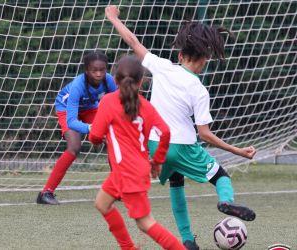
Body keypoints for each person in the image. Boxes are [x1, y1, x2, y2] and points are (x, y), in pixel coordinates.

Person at [105, 5, 256, 250]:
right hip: (184, 145)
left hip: (156, 145)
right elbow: (204, 134)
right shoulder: (199, 90)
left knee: (176, 184)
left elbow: (133, 42)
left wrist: (112, 17)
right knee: (221, 178)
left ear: (180, 56)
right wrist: (238, 151)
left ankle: (187, 241)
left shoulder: (163, 67)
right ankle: (226, 202)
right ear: (205, 60)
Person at [89, 55, 185, 250]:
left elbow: (94, 136)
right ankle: (128, 248)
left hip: (127, 173)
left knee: (145, 223)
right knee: (102, 203)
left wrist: (98, 137)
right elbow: (165, 132)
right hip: (127, 171)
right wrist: (157, 161)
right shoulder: (146, 106)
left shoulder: (108, 101)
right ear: (141, 81)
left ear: (115, 79)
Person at [36, 50, 117, 205]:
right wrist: (90, 128)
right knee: (74, 147)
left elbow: (117, 103)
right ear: (86, 71)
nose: (99, 74)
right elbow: (72, 121)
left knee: (113, 137)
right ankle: (46, 193)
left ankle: (117, 187)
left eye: (102, 70)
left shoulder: (109, 80)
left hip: (89, 107)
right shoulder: (78, 86)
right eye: (94, 71)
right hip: (66, 108)